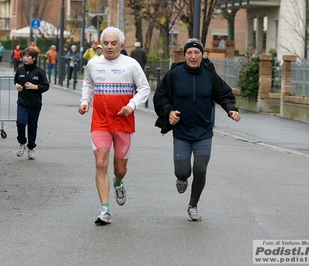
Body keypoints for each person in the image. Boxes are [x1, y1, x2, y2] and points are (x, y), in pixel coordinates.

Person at [153, 38, 241, 222]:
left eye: (197, 53)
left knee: (200, 169)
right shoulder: (175, 74)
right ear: (185, 55)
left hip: (203, 130)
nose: (193, 56)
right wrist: (168, 112)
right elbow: (160, 96)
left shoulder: (209, 75)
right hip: (182, 131)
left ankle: (193, 205)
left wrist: (231, 109)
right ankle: (182, 178)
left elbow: (223, 94)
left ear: (202, 55)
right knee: (183, 171)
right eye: (189, 53)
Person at [78, 26, 150, 226]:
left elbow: (145, 88)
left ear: (121, 45)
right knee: (101, 163)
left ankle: (118, 182)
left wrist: (132, 105)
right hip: (100, 122)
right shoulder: (93, 63)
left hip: (123, 123)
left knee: (120, 168)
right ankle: (105, 209)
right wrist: (85, 101)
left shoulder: (131, 64)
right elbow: (88, 85)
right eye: (106, 43)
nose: (109, 47)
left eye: (113, 43)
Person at [14, 47, 49, 160]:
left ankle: (31, 148)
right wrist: (17, 86)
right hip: (22, 103)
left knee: (32, 127)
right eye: (24, 55)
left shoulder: (39, 72)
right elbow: (16, 81)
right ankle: (22, 143)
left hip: (35, 104)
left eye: (28, 56)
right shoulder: (20, 70)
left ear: (34, 58)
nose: (25, 58)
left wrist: (35, 87)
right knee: (21, 122)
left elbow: (46, 86)